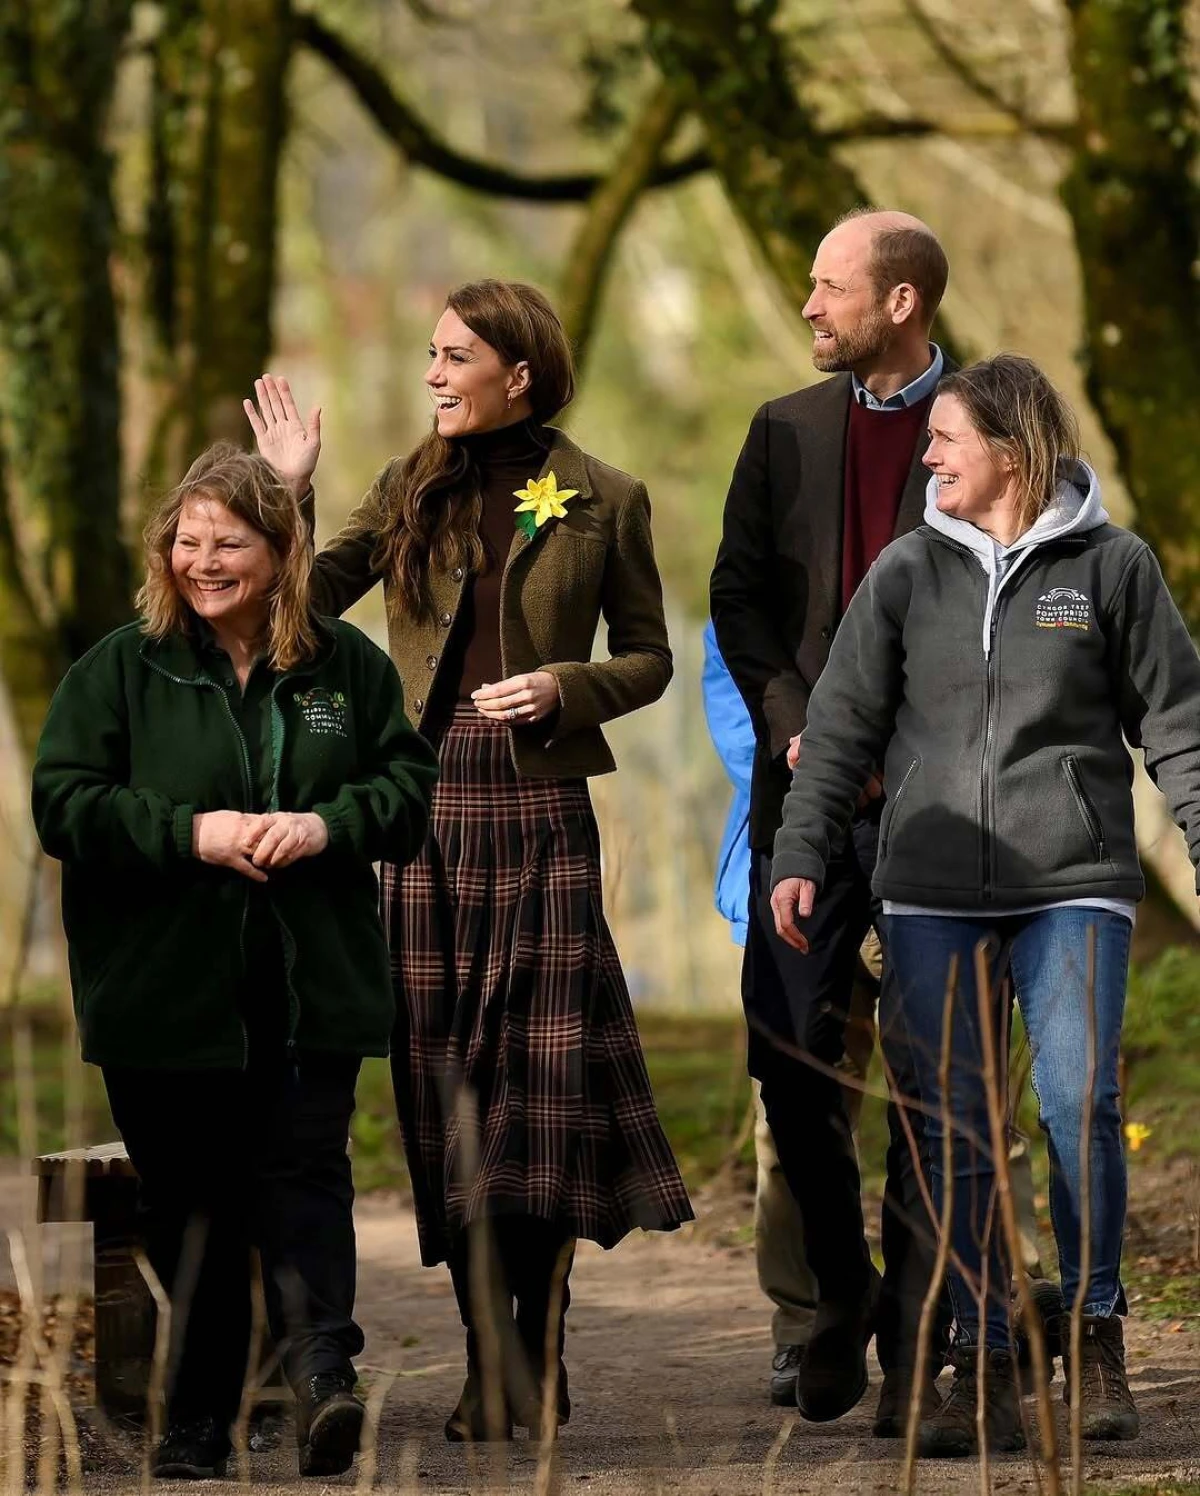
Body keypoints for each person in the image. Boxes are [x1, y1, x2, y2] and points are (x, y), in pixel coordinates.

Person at [246, 279, 693, 1442]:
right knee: (443, 1087)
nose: (435, 374)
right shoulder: (407, 485)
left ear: (520, 373)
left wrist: (564, 685)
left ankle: (534, 1356)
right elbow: (300, 602)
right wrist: (283, 491)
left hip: (540, 810)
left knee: (536, 1096)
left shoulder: (605, 498)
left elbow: (649, 655)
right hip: (418, 810)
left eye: (456, 356)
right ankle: (484, 1353)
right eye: (432, 356)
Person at [770, 353, 1200, 1455]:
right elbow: (842, 724)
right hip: (928, 893)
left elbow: (1180, 725)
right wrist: (799, 852)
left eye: (947, 437)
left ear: (1011, 447)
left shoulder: (1113, 567)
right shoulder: (908, 571)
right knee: (951, 1128)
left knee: (1078, 1107)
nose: (928, 453)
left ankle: (1095, 1326)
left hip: (1074, 885)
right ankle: (980, 1354)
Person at [31, 446, 438, 1479]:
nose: (203, 560)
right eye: (188, 539)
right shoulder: (122, 666)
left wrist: (323, 824)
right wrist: (192, 832)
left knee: (305, 1172)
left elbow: (405, 792)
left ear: (283, 548)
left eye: (230, 542)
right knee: (189, 1201)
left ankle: (322, 1374)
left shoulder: (345, 666)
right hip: (164, 992)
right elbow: (64, 800)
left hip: (309, 983)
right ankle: (198, 1413)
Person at [710, 208, 954, 1432]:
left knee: (932, 1071)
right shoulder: (783, 430)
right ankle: (843, 1288)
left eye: (827, 286)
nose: (808, 305)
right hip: (800, 792)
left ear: (899, 301)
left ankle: (915, 1335)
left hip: (935, 801)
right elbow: (737, 599)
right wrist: (796, 716)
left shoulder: (991, 430)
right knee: (788, 1049)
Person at [701, 620, 876, 1405]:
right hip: (792, 869)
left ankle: (984, 1309)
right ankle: (804, 1325)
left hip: (911, 846)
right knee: (792, 1113)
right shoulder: (755, 589)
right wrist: (816, 760)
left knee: (962, 1105)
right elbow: (741, 722)